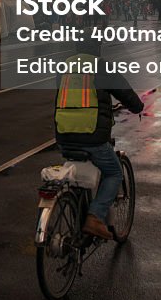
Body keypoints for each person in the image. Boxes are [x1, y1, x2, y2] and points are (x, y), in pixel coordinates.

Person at [54, 42, 144, 241]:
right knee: (114, 172)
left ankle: (77, 209)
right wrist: (138, 107)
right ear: (98, 49)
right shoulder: (101, 67)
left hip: (63, 136)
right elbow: (126, 94)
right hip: (92, 137)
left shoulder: (64, 67)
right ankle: (94, 217)